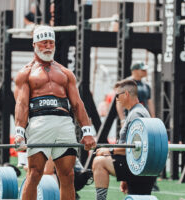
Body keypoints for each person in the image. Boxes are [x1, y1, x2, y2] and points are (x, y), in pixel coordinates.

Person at [14, 25, 96, 200]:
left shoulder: (65, 73)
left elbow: (77, 104)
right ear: (35, 44)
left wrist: (87, 131)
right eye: (44, 43)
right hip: (39, 122)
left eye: (51, 42)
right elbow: (21, 104)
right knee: (35, 173)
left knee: (68, 175)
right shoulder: (25, 73)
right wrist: (19, 132)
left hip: (64, 124)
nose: (48, 46)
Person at [92, 79, 157, 200]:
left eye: (117, 96)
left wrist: (109, 151)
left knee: (99, 161)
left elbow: (137, 148)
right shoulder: (137, 111)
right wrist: (125, 177)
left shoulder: (136, 114)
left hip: (140, 169)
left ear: (126, 94)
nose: (116, 100)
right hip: (138, 167)